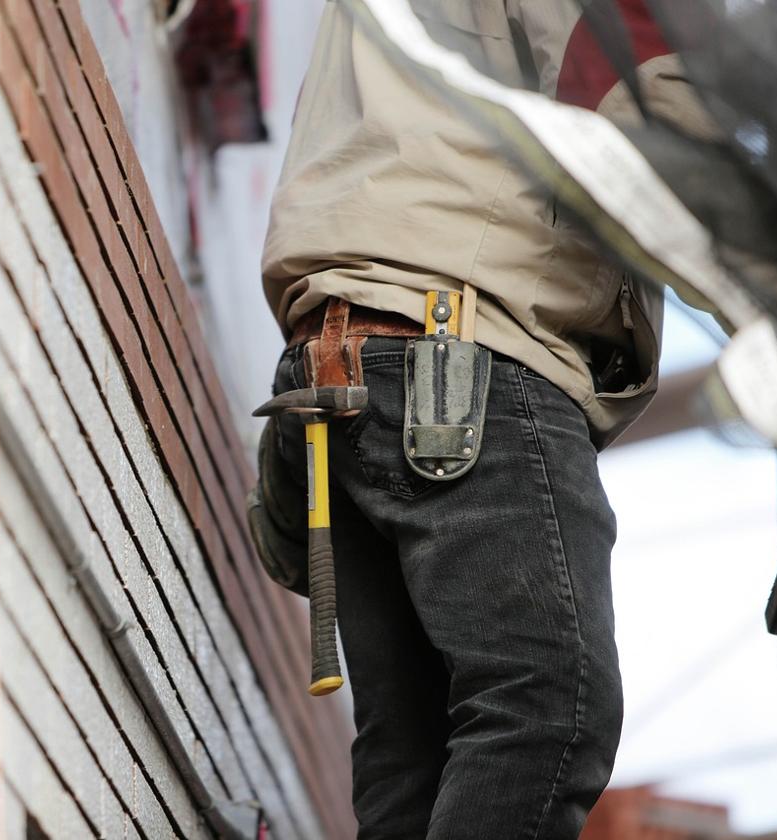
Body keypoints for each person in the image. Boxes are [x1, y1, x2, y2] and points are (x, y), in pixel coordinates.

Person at [253, 1, 721, 836]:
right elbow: (648, 109)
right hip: (459, 353)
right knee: (549, 706)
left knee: (415, 760)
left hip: (350, 355)